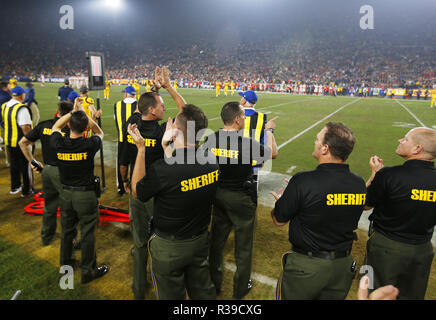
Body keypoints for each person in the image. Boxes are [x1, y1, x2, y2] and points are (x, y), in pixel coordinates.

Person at [131, 104, 219, 300]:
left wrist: (141, 149)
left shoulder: (163, 169)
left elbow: (137, 191)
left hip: (170, 247)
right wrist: (166, 148)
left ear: (176, 131)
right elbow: (181, 174)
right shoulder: (212, 160)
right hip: (199, 240)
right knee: (202, 292)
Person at [270, 122, 366, 300]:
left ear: (325, 148)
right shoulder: (358, 182)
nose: (314, 142)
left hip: (307, 267)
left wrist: (282, 202)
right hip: (342, 268)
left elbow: (279, 220)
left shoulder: (304, 181)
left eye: (317, 139)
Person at [120, 66, 187, 300]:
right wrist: (167, 87)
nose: (164, 107)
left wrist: (152, 91)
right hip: (158, 193)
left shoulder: (133, 124)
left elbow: (141, 108)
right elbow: (187, 112)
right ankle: (163, 286)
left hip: (137, 190)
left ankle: (138, 288)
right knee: (159, 240)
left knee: (138, 241)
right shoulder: (161, 133)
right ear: (153, 110)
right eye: (160, 106)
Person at [204, 102, 274, 299]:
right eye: (243, 116)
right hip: (241, 199)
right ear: (236, 119)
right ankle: (240, 289)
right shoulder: (246, 143)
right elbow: (272, 153)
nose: (244, 119)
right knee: (243, 248)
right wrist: (269, 132)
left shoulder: (210, 139)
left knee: (216, 243)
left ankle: (214, 283)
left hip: (217, 195)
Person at [364, 127, 436, 300]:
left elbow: (364, 205)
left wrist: (375, 174)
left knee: (375, 294)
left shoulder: (389, 174)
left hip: (386, 248)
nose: (400, 141)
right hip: (423, 249)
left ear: (417, 149)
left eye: (405, 139)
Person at [50, 98, 109, 284]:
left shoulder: (59, 143)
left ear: (69, 125)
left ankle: (65, 264)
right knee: (88, 233)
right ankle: (87, 271)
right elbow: (99, 131)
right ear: (85, 129)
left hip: (66, 194)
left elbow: (55, 128)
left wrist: (72, 113)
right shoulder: (89, 144)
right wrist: (84, 115)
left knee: (67, 231)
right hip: (85, 195)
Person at [19, 101, 73, 246]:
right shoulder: (70, 129)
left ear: (58, 111)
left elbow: (22, 142)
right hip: (63, 172)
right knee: (68, 208)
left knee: (49, 206)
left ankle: (46, 236)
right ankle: (70, 240)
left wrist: (33, 161)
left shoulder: (44, 125)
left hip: (47, 170)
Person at [239, 90, 278, 187]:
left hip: (235, 165)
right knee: (251, 195)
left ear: (244, 101)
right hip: (254, 167)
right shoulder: (261, 118)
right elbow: (272, 153)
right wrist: (270, 131)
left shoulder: (236, 117)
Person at [1, 86, 33, 196]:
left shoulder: (4, 106)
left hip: (9, 141)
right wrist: (30, 140)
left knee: (14, 164)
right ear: (21, 95)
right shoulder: (22, 108)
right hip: (21, 142)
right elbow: (25, 127)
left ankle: (15, 187)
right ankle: (27, 190)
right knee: (26, 165)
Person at [114, 85, 137, 196]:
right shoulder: (139, 105)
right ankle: (134, 186)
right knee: (135, 162)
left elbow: (116, 119)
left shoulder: (117, 104)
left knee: (121, 162)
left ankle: (121, 188)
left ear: (126, 94)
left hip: (122, 139)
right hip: (135, 140)